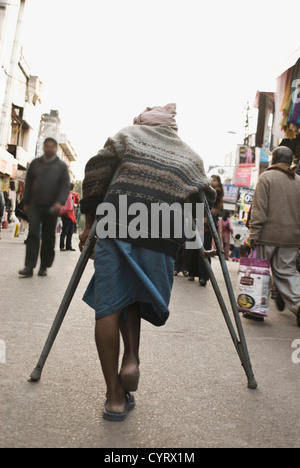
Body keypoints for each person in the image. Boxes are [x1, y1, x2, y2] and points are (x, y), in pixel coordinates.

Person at [79, 104, 214, 421]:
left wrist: (88, 223)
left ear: (142, 122)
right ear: (172, 129)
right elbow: (205, 196)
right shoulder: (191, 156)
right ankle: (132, 360)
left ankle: (114, 396)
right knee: (136, 293)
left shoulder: (127, 135)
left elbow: (95, 171)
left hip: (117, 223)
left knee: (110, 304)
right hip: (161, 233)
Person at [250, 146, 300, 327]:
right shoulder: (298, 181)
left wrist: (254, 233)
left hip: (267, 235)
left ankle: (256, 309)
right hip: (292, 237)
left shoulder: (266, 178)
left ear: (273, 159)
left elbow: (259, 209)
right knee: (287, 272)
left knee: (260, 271)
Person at [19, 138, 70, 278]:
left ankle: (44, 266)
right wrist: (27, 202)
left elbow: (65, 187)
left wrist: (59, 202)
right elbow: (28, 183)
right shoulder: (35, 163)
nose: (49, 149)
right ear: (43, 147)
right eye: (46, 146)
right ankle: (29, 266)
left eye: (52, 147)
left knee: (48, 237)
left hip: (52, 207)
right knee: (33, 234)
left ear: (56, 149)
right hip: (35, 205)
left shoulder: (61, 166)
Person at [186, 174, 224, 286]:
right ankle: (194, 273)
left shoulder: (218, 192)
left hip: (207, 222)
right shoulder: (203, 189)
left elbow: (217, 209)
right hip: (199, 220)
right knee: (195, 248)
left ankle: (202, 276)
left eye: (214, 180)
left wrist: (206, 215)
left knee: (203, 249)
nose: (212, 181)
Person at [60, 183, 79, 252]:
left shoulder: (73, 195)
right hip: (66, 214)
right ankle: (62, 246)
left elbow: (77, 202)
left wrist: (75, 196)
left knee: (70, 231)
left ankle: (69, 246)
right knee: (65, 231)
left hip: (71, 215)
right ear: (72, 187)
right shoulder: (66, 194)